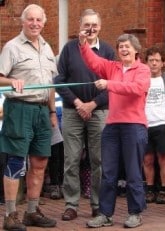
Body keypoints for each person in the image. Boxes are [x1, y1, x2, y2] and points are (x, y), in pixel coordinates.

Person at [78, 33, 150, 228]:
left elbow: (136, 89)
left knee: (133, 172)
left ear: (136, 50)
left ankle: (135, 213)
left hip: (134, 125)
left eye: (127, 46)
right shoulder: (113, 67)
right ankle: (105, 214)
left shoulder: (143, 69)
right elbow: (94, 62)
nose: (123, 50)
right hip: (112, 126)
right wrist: (84, 44)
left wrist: (109, 84)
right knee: (108, 173)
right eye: (120, 47)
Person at [0, 4, 57, 230]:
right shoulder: (12, 47)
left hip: (43, 110)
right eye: (30, 19)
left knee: (40, 161)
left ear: (44, 22)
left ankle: (31, 212)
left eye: (38, 20)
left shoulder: (47, 47)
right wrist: (11, 81)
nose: (35, 23)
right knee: (16, 160)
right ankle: (10, 215)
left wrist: (52, 111)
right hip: (19, 108)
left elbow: (50, 84)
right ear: (23, 22)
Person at [55, 9, 115, 221]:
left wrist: (92, 104)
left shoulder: (107, 50)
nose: (90, 29)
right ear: (79, 26)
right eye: (86, 24)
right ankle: (71, 204)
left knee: (99, 160)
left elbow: (114, 84)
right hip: (72, 111)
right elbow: (59, 81)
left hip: (99, 112)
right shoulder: (69, 49)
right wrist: (79, 103)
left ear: (100, 27)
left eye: (94, 25)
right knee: (71, 159)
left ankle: (97, 204)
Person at [143, 46, 165, 204]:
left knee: (163, 158)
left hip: (162, 125)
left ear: (162, 63)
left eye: (157, 60)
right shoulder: (142, 79)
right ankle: (150, 190)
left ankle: (163, 190)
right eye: (151, 60)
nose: (154, 63)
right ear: (146, 62)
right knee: (147, 159)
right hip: (144, 125)